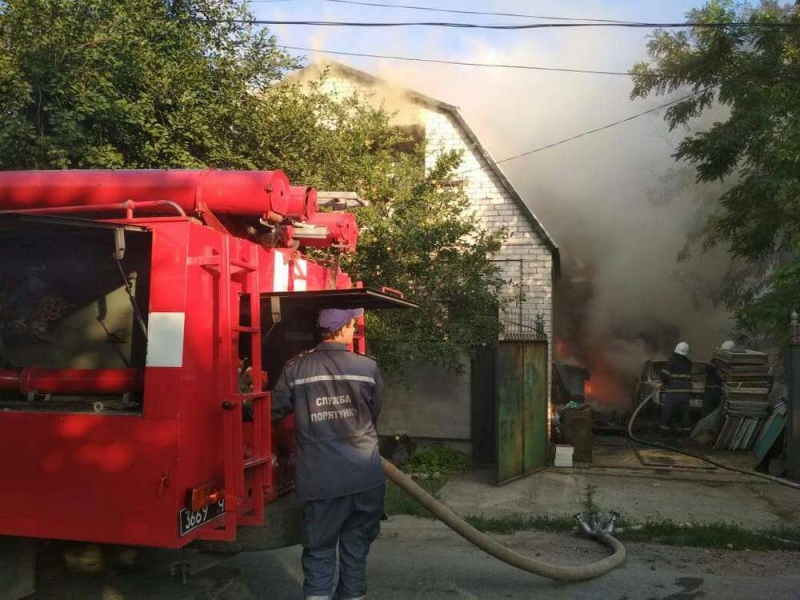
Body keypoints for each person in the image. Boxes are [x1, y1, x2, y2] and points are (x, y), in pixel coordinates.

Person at [271, 307, 384, 600]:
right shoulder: (368, 368)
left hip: (321, 482)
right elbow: (374, 414)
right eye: (352, 324)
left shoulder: (295, 369)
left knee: (319, 553)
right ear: (344, 329)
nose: (354, 328)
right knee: (356, 551)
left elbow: (272, 411)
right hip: (364, 477)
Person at [660, 341, 693, 433]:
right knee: (685, 414)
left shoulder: (671, 363)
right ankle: (686, 432)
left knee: (667, 412)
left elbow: (663, 377)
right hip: (685, 394)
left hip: (672, 393)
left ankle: (664, 432)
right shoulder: (689, 364)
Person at [702, 340, 735, 417]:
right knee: (710, 413)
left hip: (716, 392)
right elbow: (707, 368)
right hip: (713, 391)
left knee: (713, 414)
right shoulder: (716, 361)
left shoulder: (726, 363)